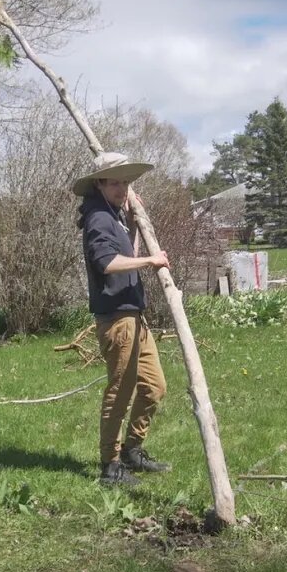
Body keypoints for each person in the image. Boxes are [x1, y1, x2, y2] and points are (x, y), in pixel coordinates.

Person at [73, 152, 172, 488]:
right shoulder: (97, 217)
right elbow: (107, 263)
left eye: (126, 182)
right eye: (114, 182)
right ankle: (110, 465)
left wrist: (130, 221)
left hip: (134, 314)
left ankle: (133, 449)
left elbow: (122, 250)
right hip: (117, 319)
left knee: (154, 387)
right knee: (120, 392)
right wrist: (151, 261)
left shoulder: (113, 215)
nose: (121, 188)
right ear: (99, 183)